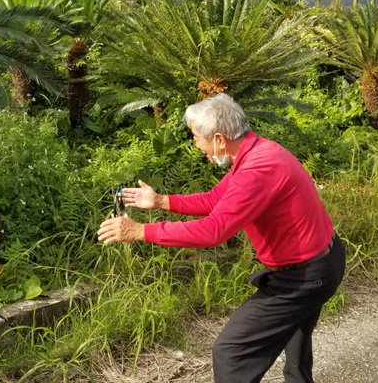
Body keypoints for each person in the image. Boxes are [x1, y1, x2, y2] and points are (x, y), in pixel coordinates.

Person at [97, 93, 345, 383]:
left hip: (303, 277)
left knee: (231, 353)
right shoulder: (258, 151)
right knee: (296, 358)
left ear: (217, 139)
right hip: (319, 262)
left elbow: (214, 230)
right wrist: (162, 201)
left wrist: (140, 231)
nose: (196, 145)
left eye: (195, 137)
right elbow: (217, 198)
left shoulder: (256, 169)